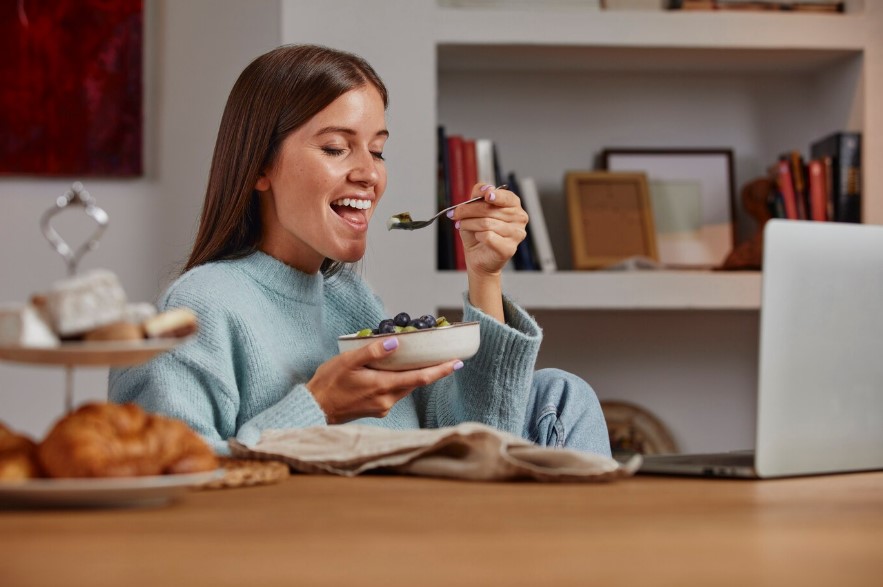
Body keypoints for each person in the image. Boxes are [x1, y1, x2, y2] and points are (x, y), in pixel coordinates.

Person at [109, 44, 611, 457]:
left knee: (561, 395)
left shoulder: (349, 299)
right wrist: (318, 407)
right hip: (322, 547)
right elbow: (173, 481)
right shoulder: (200, 307)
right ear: (260, 167)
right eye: (335, 148)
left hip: (421, 523)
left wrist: (485, 275)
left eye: (377, 149)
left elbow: (480, 438)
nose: (369, 174)